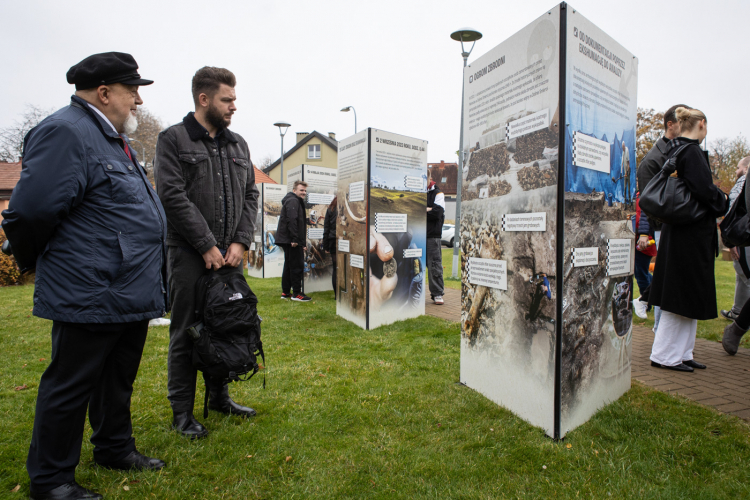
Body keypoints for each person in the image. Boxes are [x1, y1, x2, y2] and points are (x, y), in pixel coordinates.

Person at [1, 52, 167, 500]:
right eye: (132, 90)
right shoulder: (66, 131)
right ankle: (52, 479)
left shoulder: (111, 138)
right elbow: (30, 212)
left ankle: (114, 447)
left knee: (116, 378)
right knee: (71, 385)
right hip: (90, 288)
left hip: (127, 288)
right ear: (104, 92)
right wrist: (42, 262)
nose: (137, 100)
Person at [154, 66, 259, 440]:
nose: (234, 106)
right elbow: (171, 195)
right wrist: (205, 244)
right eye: (227, 99)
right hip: (187, 256)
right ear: (204, 99)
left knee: (227, 325)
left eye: (234, 99)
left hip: (229, 258)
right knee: (186, 333)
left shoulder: (239, 145)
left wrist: (240, 241)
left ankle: (219, 398)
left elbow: (251, 195)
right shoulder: (173, 140)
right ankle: (182, 414)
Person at [648, 107, 729, 372]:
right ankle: (664, 355)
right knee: (680, 296)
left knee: (685, 295)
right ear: (701, 124)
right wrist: (723, 201)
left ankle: (682, 352)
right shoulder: (691, 151)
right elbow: (704, 190)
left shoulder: (678, 148)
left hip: (683, 233)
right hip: (689, 236)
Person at [634, 104, 690, 326]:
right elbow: (648, 202)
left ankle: (646, 302)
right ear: (671, 124)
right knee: (663, 276)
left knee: (669, 277)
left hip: (672, 226)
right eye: (682, 121)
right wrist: (645, 233)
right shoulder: (654, 159)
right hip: (664, 227)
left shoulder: (677, 151)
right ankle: (655, 321)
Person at [720, 156, 750, 321]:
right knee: (741, 276)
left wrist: (731, 243)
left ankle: (742, 320)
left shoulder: (743, 183)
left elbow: (732, 213)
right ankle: (737, 311)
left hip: (743, 238)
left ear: (746, 169)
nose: (736, 171)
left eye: (738, 168)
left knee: (746, 276)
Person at [277, 180, 311, 301]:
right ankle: (297, 293)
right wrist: (295, 239)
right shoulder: (293, 201)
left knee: (289, 265)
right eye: (301, 190)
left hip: (289, 239)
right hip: (292, 240)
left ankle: (285, 292)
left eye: (305, 190)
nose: (304, 193)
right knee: (296, 265)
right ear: (294, 190)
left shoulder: (293, 200)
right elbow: (292, 220)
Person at [632, 191, 656, 319]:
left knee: (641, 274)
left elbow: (642, 218)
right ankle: (650, 297)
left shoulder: (645, 195)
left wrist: (643, 234)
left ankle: (645, 303)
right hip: (640, 240)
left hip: (645, 242)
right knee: (643, 273)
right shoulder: (637, 195)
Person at [426, 174, 445, 305]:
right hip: (417, 233)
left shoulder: (438, 193)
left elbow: (437, 213)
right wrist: (427, 209)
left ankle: (437, 293)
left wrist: (426, 210)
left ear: (429, 178)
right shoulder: (417, 191)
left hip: (432, 235)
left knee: (434, 265)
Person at [322, 196, 338, 297]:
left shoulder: (330, 209)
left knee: (336, 268)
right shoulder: (347, 207)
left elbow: (326, 229)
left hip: (333, 240)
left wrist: (326, 246)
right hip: (344, 240)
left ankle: (337, 295)